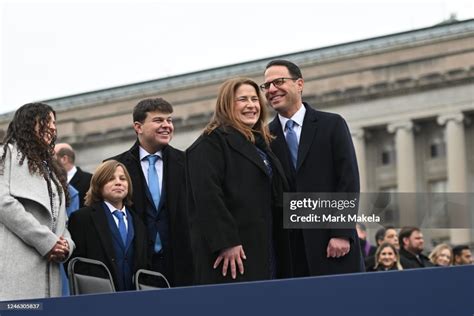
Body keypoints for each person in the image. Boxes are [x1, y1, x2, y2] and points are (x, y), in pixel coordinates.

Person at [264, 59, 364, 276]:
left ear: (299, 84)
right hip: (289, 252)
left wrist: (342, 232)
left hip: (333, 244)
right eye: (267, 85)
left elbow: (348, 180)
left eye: (278, 81)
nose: (272, 89)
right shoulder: (263, 137)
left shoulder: (332, 124)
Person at [186, 78, 291, 284]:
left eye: (254, 99)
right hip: (234, 254)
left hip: (268, 246)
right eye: (242, 99)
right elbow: (207, 197)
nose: (251, 105)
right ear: (226, 104)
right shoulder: (209, 143)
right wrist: (227, 242)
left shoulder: (262, 145)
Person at [107, 98, 193, 286]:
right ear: (138, 127)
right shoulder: (115, 168)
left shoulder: (188, 163)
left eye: (169, 120)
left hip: (183, 267)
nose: (166, 125)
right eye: (158, 120)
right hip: (135, 269)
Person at [0, 103, 75, 300]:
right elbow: (3, 202)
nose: (52, 127)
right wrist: (46, 241)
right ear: (27, 123)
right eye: (46, 121)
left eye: (54, 122)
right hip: (16, 273)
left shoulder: (50, 169)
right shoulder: (4, 154)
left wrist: (66, 245)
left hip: (51, 274)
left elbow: (61, 220)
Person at [67, 160, 148, 291]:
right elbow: (76, 265)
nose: (118, 182)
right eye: (111, 179)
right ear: (99, 185)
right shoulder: (82, 218)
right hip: (98, 300)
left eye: (123, 178)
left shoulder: (138, 221)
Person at [55, 143, 92, 208]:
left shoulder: (90, 180)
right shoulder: (51, 181)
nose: (48, 160)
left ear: (64, 159)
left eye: (52, 156)